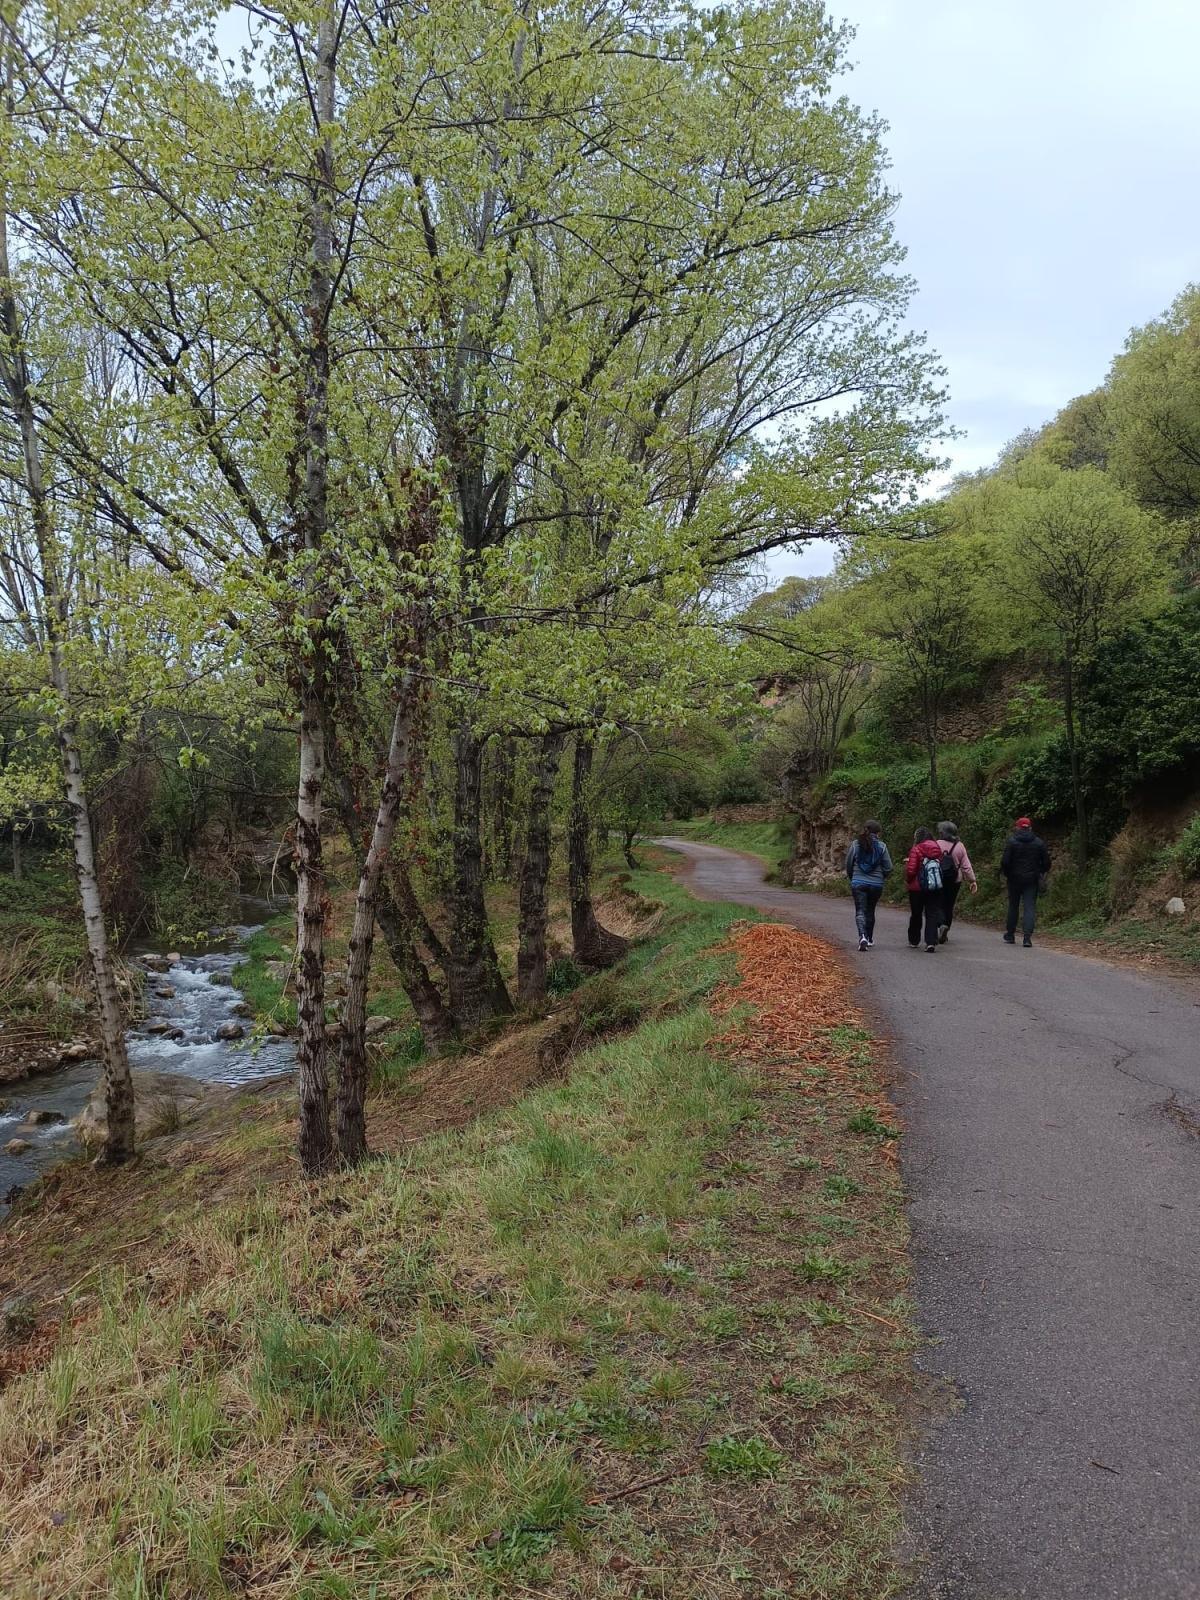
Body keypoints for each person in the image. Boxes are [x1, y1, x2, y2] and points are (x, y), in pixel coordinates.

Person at [1000, 815, 1051, 947]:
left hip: (1014, 879)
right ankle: (1027, 938)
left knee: (1013, 906)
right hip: (1031, 880)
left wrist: (1008, 874)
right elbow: (1047, 863)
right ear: (1030, 828)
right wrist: (1040, 872)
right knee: (1029, 907)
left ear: (1017, 827)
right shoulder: (1038, 843)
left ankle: (1010, 935)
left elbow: (1005, 862)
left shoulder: (1012, 842)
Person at [845, 819, 892, 951]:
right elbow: (888, 867)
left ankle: (862, 937)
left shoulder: (855, 845)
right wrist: (882, 876)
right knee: (870, 910)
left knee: (860, 910)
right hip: (876, 884)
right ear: (878, 833)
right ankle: (870, 939)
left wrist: (852, 876)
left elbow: (848, 864)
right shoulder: (882, 847)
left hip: (858, 882)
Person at [935, 821, 977, 943]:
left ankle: (941, 924)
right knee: (949, 904)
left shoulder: (936, 844)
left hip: (938, 877)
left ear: (942, 832)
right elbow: (966, 866)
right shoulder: (960, 846)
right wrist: (972, 880)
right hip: (955, 880)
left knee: (937, 902)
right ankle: (946, 928)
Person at [905, 827, 945, 952]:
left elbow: (911, 870)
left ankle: (914, 939)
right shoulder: (937, 849)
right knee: (931, 913)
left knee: (916, 914)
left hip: (917, 888)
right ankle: (931, 942)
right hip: (934, 886)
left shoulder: (916, 849)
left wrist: (908, 880)